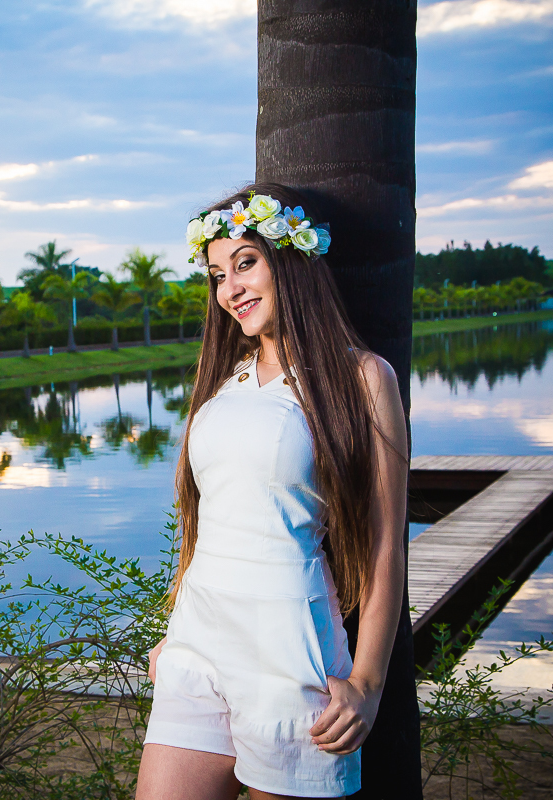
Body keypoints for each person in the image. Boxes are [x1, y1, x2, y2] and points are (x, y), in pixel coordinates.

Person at [136, 184, 409, 800]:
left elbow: (385, 544)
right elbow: (205, 523)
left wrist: (367, 683)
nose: (229, 288)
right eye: (215, 275)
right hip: (196, 648)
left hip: (289, 653)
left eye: (246, 262)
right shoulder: (223, 384)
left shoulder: (362, 378)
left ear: (289, 259)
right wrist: (174, 635)